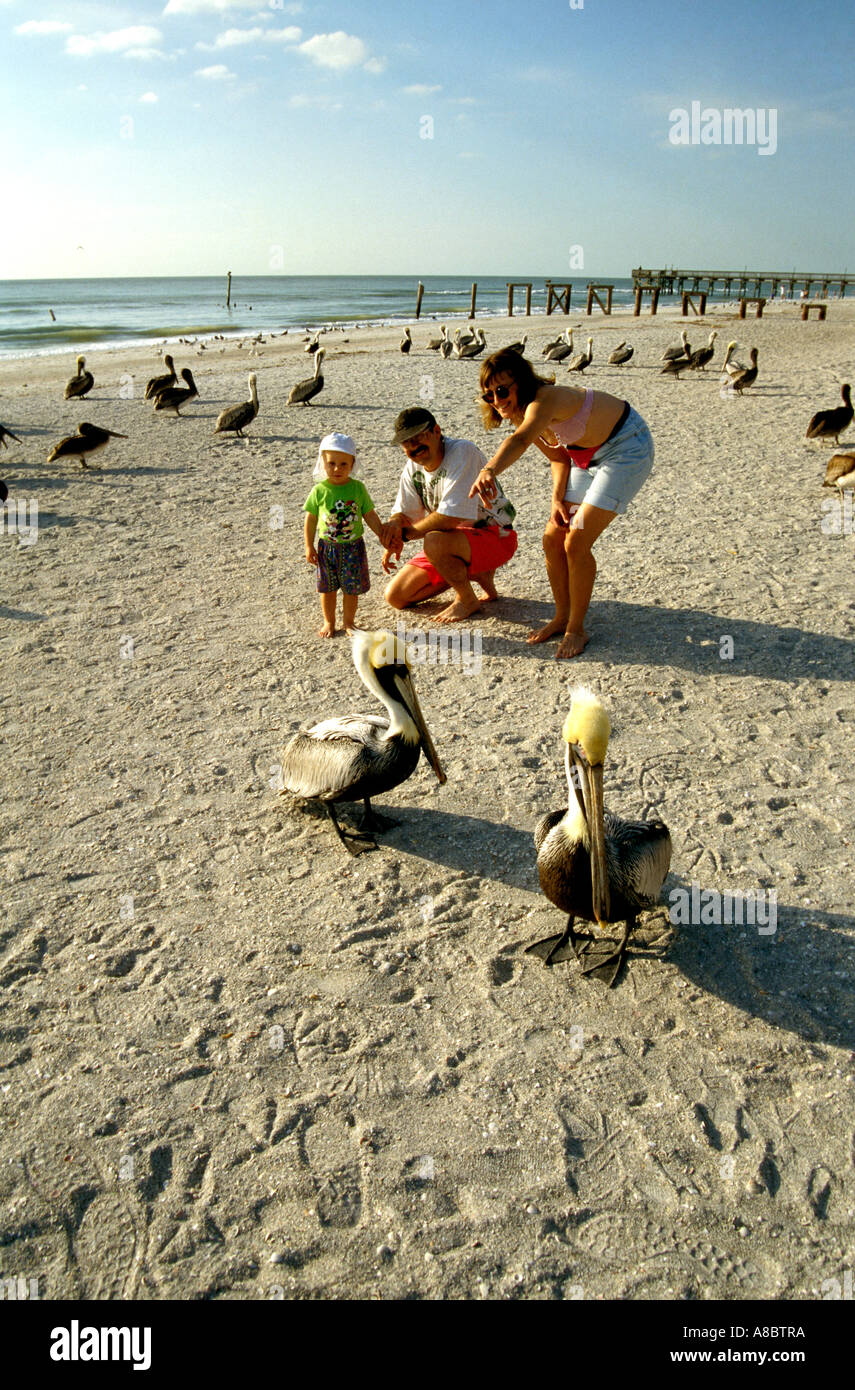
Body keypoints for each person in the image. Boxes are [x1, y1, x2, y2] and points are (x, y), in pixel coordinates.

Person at [469, 349, 654, 659]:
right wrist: (557, 499)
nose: (497, 400)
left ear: (522, 381)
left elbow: (520, 441)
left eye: (502, 390)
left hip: (626, 449)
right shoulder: (522, 412)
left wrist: (489, 470)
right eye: (489, 395)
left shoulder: (546, 400)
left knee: (577, 541)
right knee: (553, 537)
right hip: (585, 459)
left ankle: (576, 628)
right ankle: (561, 617)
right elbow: (558, 457)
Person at [382, 406, 517, 624]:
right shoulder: (412, 468)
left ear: (437, 431)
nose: (414, 446)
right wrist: (393, 530)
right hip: (452, 541)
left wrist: (405, 536)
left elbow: (450, 517)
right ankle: (474, 573)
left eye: (419, 437)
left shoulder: (463, 451)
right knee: (396, 596)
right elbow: (404, 513)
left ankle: (467, 599)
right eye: (407, 442)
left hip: (495, 537)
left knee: (433, 539)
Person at [303, 431, 390, 638]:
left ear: (352, 464)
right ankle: (329, 621)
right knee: (327, 588)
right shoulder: (319, 490)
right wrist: (309, 545)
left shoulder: (358, 488)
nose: (337, 469)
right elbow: (311, 519)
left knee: (351, 589)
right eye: (331, 463)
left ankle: (349, 622)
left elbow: (369, 514)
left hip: (353, 547)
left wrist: (382, 535)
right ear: (322, 462)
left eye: (344, 464)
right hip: (327, 548)